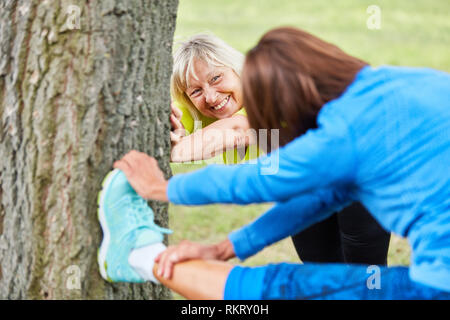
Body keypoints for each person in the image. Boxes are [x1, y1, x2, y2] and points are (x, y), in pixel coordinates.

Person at [99, 26, 450, 299]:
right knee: (329, 281)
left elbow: (256, 178)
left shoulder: (341, 131)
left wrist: (163, 186)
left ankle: (139, 255)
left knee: (279, 287)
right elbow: (320, 198)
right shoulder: (402, 83)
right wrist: (229, 247)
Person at [168, 33, 390, 266]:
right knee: (319, 273)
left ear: (237, 70)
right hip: (306, 182)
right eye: (196, 91)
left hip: (359, 163)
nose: (211, 96)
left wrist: (174, 151)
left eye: (216, 78)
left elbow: (236, 130)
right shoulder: (200, 107)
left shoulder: (265, 90)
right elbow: (173, 120)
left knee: (364, 271)